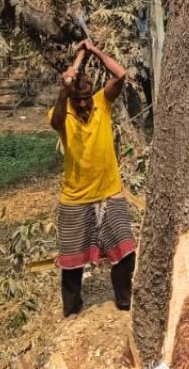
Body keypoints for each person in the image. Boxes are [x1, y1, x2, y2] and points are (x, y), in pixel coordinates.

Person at [48, 39, 135, 317]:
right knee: (72, 263)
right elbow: (57, 117)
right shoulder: (62, 114)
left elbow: (120, 75)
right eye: (79, 99)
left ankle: (124, 301)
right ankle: (71, 311)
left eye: (87, 97)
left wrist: (94, 51)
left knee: (125, 250)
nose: (84, 103)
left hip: (110, 192)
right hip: (75, 199)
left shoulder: (101, 102)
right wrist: (65, 88)